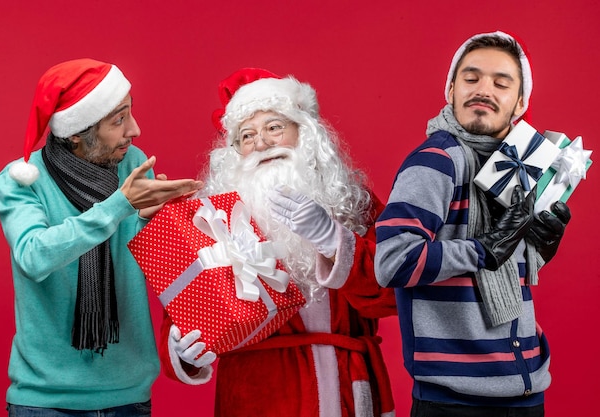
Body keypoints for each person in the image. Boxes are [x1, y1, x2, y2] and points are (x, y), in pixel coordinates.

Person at [160, 68, 398, 417]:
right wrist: (181, 350)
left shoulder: (353, 202)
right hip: (258, 394)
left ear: (306, 133)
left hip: (347, 388)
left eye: (274, 128)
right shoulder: (212, 221)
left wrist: (334, 239)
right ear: (234, 151)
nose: (261, 144)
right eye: (247, 135)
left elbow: (393, 294)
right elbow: (183, 316)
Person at [0, 58, 208, 416]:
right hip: (46, 401)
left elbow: (147, 263)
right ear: (77, 132)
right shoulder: (22, 180)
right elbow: (33, 256)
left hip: (129, 395)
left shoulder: (132, 163)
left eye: (130, 113)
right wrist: (120, 205)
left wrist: (165, 222)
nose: (135, 130)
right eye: (119, 119)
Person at [374, 31, 571, 417]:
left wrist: (539, 251)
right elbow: (392, 262)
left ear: (520, 102)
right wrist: (484, 248)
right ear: (450, 89)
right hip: (455, 401)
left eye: (501, 83)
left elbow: (500, 274)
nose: (484, 89)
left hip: (526, 388)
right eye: (471, 78)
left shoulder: (517, 165)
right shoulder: (436, 160)